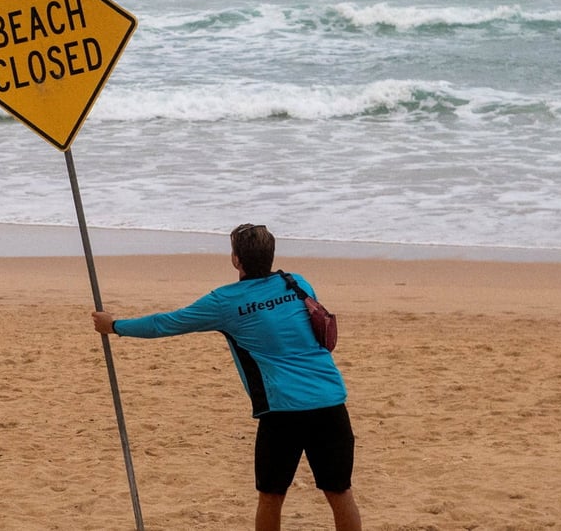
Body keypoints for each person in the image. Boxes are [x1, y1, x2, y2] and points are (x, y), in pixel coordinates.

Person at [91, 224, 362, 531]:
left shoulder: (225, 302)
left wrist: (115, 326)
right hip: (330, 399)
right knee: (340, 492)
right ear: (271, 255)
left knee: (272, 495)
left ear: (236, 259)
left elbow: (166, 323)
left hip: (283, 410)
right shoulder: (297, 284)